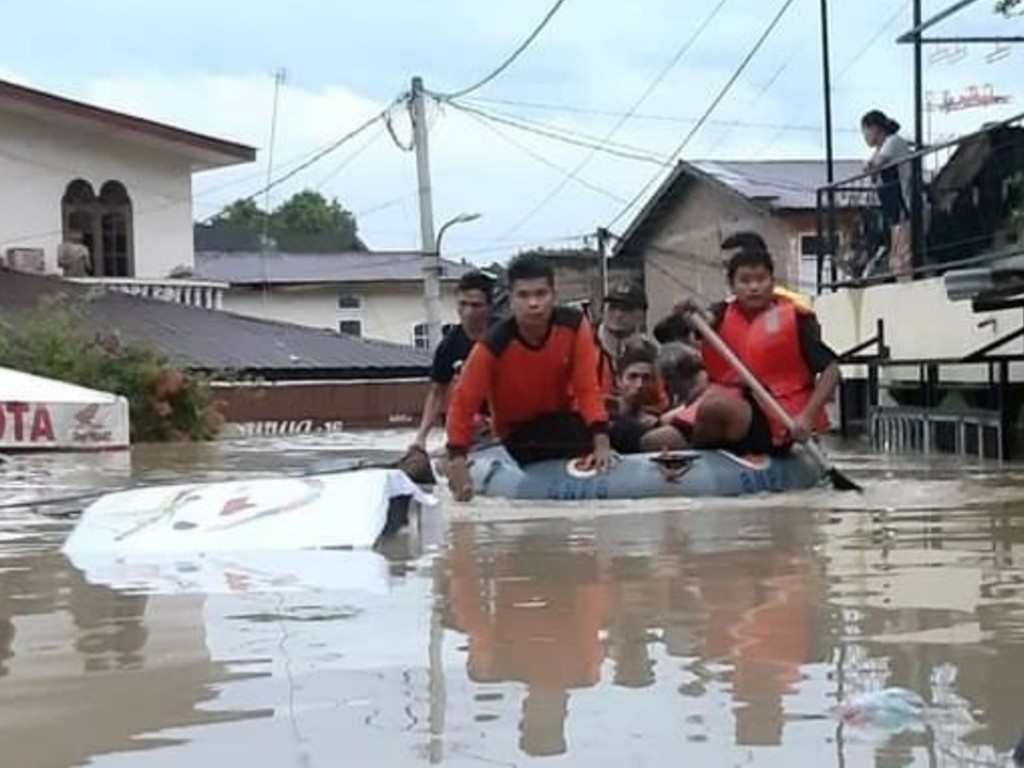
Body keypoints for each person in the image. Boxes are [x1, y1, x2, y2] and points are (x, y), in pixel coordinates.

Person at [445, 254, 612, 501]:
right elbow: (463, 401)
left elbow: (586, 387)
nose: (534, 304)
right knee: (574, 431)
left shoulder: (574, 325)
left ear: (553, 295)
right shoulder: (493, 345)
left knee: (622, 428)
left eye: (541, 294)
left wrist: (601, 439)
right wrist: (457, 456)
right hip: (520, 434)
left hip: (565, 420)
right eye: (524, 296)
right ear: (511, 300)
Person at [665, 243, 840, 456]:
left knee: (714, 408)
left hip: (777, 417)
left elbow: (831, 370)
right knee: (656, 440)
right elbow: (703, 321)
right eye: (745, 281)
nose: (754, 287)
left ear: (772, 282)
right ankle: (694, 458)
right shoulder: (719, 313)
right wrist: (689, 311)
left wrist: (806, 416)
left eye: (761, 279)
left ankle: (694, 460)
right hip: (728, 405)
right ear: (732, 286)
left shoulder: (795, 320)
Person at [410, 270, 495, 452]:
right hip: (471, 423)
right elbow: (436, 392)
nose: (468, 312)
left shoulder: (505, 335)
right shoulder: (449, 345)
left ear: (489, 306)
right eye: (463, 304)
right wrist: (421, 437)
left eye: (476, 305)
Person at [594, 281, 669, 413]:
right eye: (612, 307)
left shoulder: (651, 353)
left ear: (641, 315)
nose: (618, 314)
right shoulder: (584, 346)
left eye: (626, 309)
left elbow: (662, 403)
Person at [861, 109, 913, 280]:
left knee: (901, 257)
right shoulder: (881, 147)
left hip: (904, 205)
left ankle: (906, 285)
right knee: (895, 255)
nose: (865, 136)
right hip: (893, 208)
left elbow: (875, 164)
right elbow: (870, 168)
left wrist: (871, 166)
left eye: (865, 130)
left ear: (875, 128)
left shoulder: (893, 141)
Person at [606, 340, 662, 454]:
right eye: (633, 377)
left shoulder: (656, 421)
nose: (640, 385)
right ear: (618, 381)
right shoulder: (602, 414)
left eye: (646, 378)